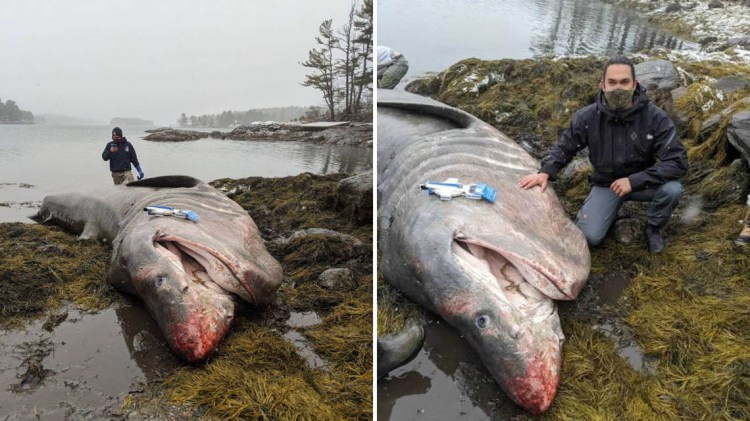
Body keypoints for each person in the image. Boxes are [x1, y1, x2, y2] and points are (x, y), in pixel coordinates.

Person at [518, 56, 688, 253]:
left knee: (672, 189)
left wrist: (633, 181)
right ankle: (608, 210)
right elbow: (566, 146)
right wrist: (546, 171)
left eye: (624, 82)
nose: (618, 88)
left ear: (635, 84)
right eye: (612, 82)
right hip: (607, 184)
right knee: (589, 237)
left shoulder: (655, 118)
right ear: (603, 85)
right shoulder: (587, 116)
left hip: (643, 183)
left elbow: (677, 161)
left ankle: (653, 227)